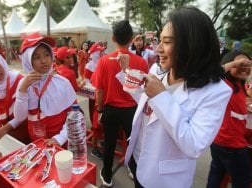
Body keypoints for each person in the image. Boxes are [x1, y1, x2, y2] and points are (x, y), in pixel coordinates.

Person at [123, 6, 232, 188]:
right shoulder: (158, 71)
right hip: (138, 160)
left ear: (191, 45)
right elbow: (150, 111)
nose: (158, 49)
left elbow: (194, 145)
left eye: (166, 42)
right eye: (160, 40)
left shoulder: (216, 91)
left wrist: (161, 96)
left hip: (164, 179)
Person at [94, 20, 149, 187]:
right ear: (131, 39)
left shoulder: (104, 61)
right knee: (134, 143)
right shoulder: (141, 62)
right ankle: (133, 169)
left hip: (110, 110)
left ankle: (108, 175)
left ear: (112, 38)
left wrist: (100, 109)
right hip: (132, 110)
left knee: (109, 144)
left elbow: (99, 90)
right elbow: (145, 90)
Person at [14, 32, 77, 146]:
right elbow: (20, 117)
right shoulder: (24, 84)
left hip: (60, 143)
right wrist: (22, 90)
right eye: (37, 57)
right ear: (28, 61)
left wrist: (60, 138)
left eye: (47, 55)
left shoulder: (62, 82)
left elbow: (75, 114)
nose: (44, 61)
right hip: (37, 142)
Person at [206, 50, 252, 188]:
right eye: (239, 64)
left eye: (247, 64)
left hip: (223, 142)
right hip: (231, 145)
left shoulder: (240, 86)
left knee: (217, 176)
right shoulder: (224, 85)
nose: (243, 67)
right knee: (243, 180)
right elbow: (212, 74)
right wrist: (236, 63)